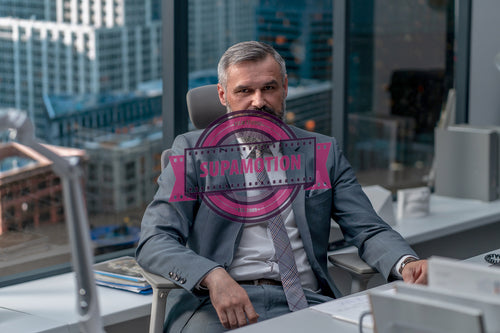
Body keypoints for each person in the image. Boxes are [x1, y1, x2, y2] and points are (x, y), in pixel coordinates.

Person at [136, 41, 428, 332]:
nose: (258, 101)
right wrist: (212, 276)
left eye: (269, 88)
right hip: (220, 306)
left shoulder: (321, 152)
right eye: (244, 91)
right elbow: (154, 240)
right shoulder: (191, 152)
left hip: (306, 301)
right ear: (223, 95)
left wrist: (406, 263)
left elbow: (368, 228)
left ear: (285, 88)